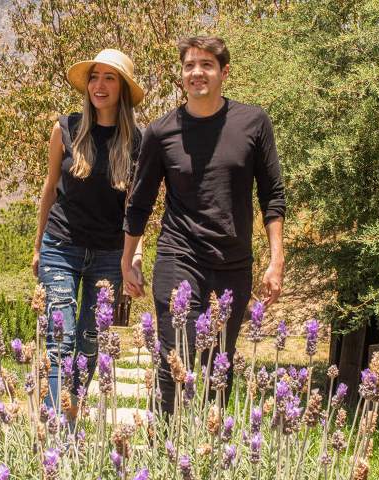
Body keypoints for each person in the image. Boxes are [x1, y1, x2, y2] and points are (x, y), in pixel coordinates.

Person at [121, 36, 286, 414]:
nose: (197, 72)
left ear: (224, 72)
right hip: (179, 257)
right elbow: (139, 202)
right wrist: (128, 259)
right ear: (181, 76)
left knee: (218, 367)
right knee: (174, 358)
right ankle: (166, 454)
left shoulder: (253, 123)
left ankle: (208, 455)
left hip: (233, 263)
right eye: (190, 65)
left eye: (207, 65)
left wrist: (276, 259)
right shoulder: (161, 132)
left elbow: (272, 196)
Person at [32, 48, 144, 410]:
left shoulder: (137, 142)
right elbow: (49, 190)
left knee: (91, 339)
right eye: (94, 77)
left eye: (109, 78)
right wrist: (37, 248)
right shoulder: (65, 129)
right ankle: (55, 428)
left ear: (122, 88)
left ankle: (71, 412)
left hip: (109, 256)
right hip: (60, 246)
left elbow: (135, 206)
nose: (99, 85)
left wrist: (134, 256)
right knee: (59, 338)